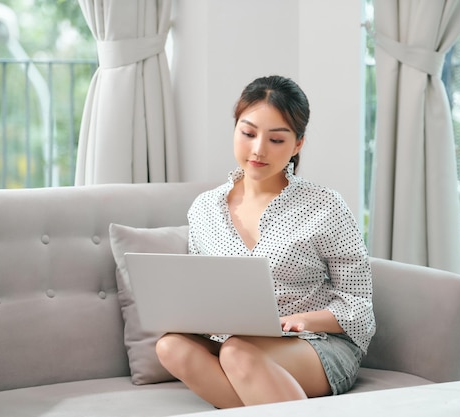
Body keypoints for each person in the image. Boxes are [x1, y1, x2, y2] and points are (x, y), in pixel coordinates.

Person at [155, 75, 375, 409]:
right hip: (230, 339)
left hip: (314, 343)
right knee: (170, 347)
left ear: (297, 145)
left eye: (276, 139)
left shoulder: (325, 206)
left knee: (238, 352)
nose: (258, 149)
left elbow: (359, 305)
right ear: (235, 129)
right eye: (248, 133)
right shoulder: (204, 208)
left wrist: (303, 320)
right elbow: (201, 291)